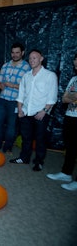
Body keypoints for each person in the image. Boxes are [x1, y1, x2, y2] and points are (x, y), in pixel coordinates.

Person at [9, 49, 58, 171]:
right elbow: (21, 94)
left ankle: (39, 161)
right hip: (26, 112)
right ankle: (24, 158)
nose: (32, 60)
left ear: (41, 59)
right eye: (30, 58)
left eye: (34, 58)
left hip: (41, 113)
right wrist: (20, 110)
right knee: (26, 138)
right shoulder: (26, 76)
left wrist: (44, 111)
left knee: (40, 139)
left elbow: (52, 97)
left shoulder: (50, 75)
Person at [0, 43, 31, 155]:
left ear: (22, 53)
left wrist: (11, 85)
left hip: (16, 101)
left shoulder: (26, 67)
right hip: (2, 99)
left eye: (17, 52)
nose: (15, 55)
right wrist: (0, 84)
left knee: (11, 126)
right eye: (13, 52)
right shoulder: (5, 65)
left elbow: (27, 87)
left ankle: (8, 148)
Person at [46, 53, 77, 191]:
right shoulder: (74, 79)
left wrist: (72, 97)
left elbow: (71, 97)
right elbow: (64, 98)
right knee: (70, 146)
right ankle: (66, 173)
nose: (76, 64)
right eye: (75, 62)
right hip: (70, 115)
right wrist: (73, 97)